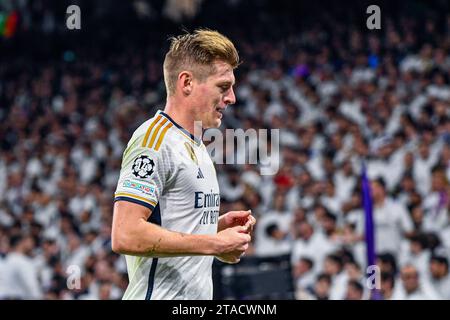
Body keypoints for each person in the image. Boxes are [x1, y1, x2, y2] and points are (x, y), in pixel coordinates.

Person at [111, 29, 256, 300]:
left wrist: (216, 230)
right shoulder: (153, 140)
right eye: (223, 86)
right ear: (187, 82)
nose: (232, 98)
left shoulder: (197, 145)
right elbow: (125, 234)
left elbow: (174, 230)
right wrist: (213, 243)